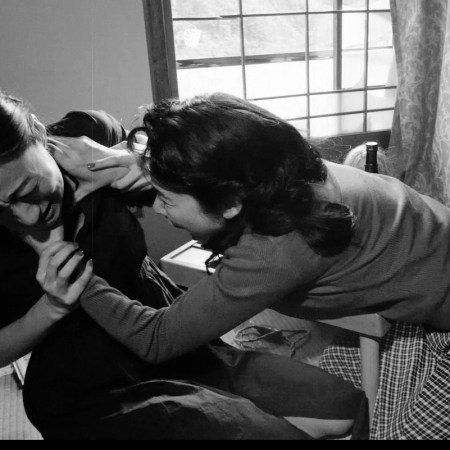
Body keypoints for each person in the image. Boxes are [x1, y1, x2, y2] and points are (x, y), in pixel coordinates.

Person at [44, 92, 450, 440]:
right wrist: (137, 163)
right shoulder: (272, 168)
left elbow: (157, 338)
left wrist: (75, 275)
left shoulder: (277, 247)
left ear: (230, 203)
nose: (160, 210)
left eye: (166, 199)